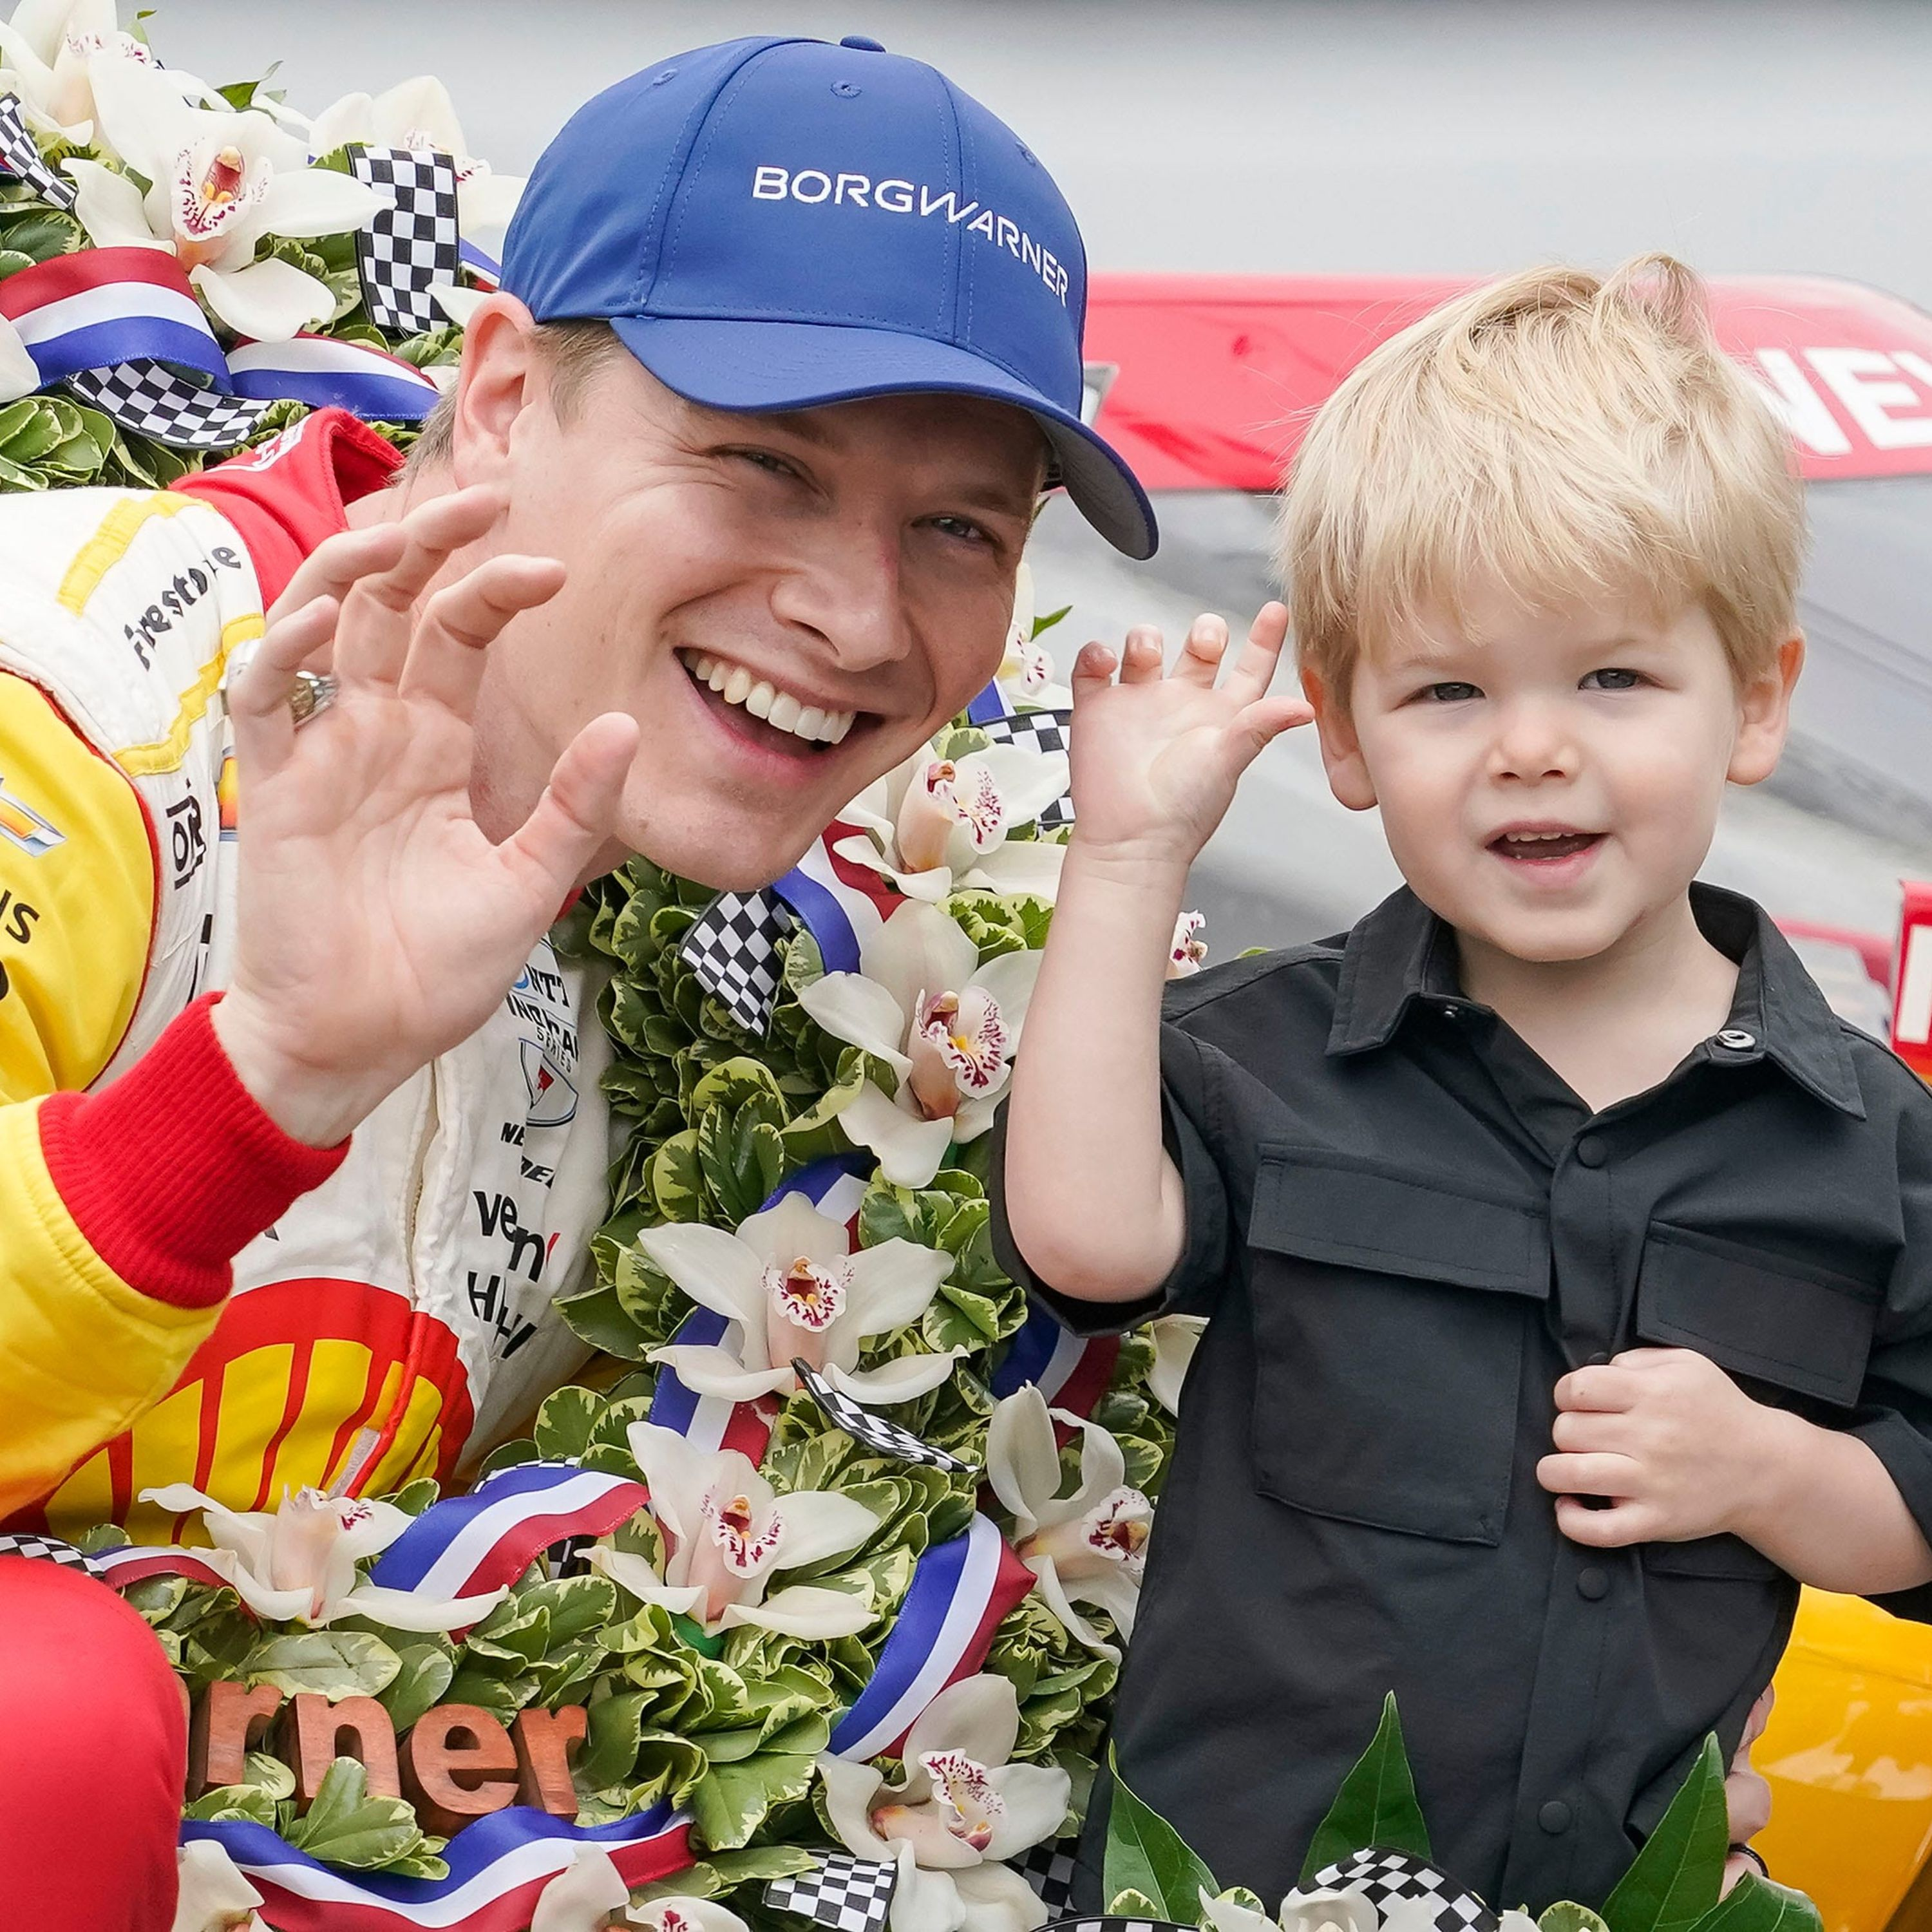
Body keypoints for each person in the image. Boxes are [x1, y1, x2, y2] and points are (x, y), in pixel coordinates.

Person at [0, 35, 1155, 1927]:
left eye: (960, 527)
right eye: (762, 467)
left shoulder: (791, 960)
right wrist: (263, 1081)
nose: (862, 621)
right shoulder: (64, 691)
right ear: (507, 387)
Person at [995, 256, 1932, 1911]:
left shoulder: (1873, 1148)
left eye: (1614, 679)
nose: (1531, 747)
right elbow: (1086, 1237)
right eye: (1447, 692)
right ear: (1346, 743)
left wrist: (1777, 1478)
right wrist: (1128, 860)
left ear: (1758, 704)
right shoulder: (1263, 1058)